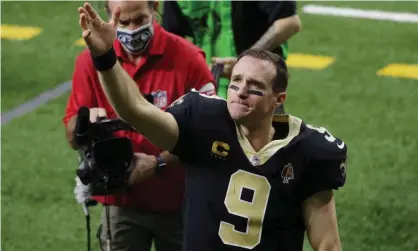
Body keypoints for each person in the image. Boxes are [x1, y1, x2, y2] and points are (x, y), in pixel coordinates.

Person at [77, 2, 347, 251]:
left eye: (254, 87)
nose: (241, 91)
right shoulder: (202, 121)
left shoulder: (309, 151)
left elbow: (328, 245)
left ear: (278, 100)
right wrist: (104, 57)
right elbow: (135, 110)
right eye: (236, 81)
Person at [63, 1, 215, 251]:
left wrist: (158, 163)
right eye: (124, 22)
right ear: (108, 16)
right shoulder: (90, 62)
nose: (133, 29)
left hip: (182, 204)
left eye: (140, 20)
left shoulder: (189, 59)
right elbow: (72, 137)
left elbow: (209, 135)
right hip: (121, 202)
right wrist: (83, 122)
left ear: (155, 8)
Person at [162, 0, 302, 113]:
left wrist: (245, 62)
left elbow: (289, 23)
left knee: (263, 145)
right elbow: (170, 39)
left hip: (258, 87)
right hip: (206, 90)